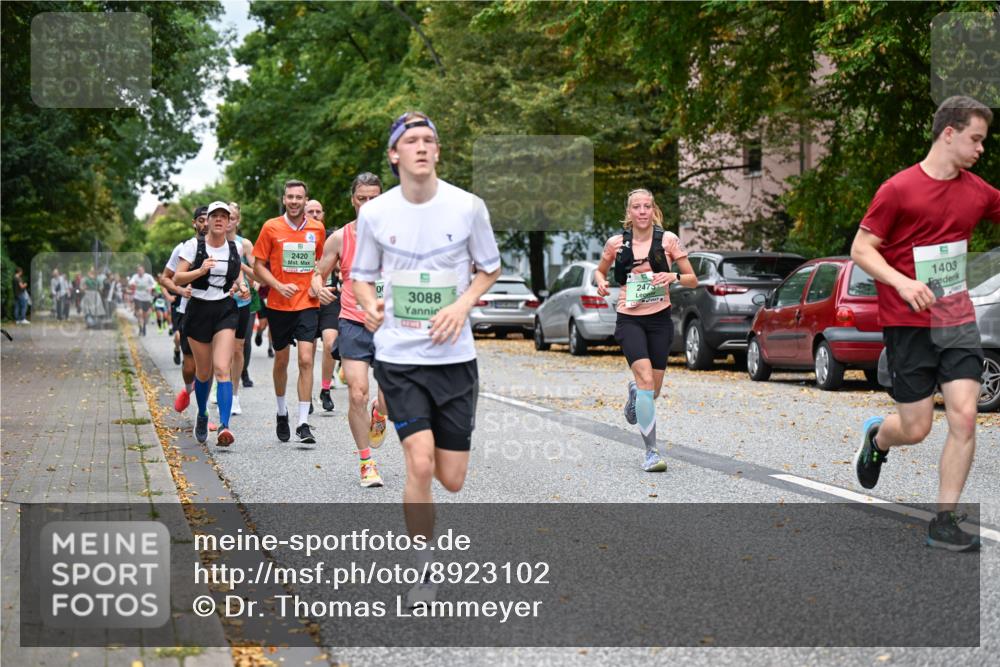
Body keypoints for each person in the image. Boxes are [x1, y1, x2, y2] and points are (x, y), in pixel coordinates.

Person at [352, 112, 501, 606]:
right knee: (418, 462)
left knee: (451, 479)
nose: (421, 147)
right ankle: (423, 570)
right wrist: (370, 303)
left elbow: (489, 267)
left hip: (455, 359)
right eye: (411, 141)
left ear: (438, 151)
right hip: (398, 356)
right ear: (395, 154)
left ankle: (436, 468)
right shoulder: (375, 215)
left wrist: (460, 306)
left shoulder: (467, 207)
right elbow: (361, 276)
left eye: (429, 140)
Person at [850, 96, 999, 552]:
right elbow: (861, 248)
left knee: (965, 417)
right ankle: (879, 437)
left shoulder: (979, 192)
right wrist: (902, 283)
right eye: (975, 139)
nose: (980, 150)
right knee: (916, 428)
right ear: (948, 133)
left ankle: (944, 521)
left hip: (956, 318)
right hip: (907, 322)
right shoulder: (898, 190)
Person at [594, 189, 695, 472]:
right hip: (630, 319)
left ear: (653, 210)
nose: (641, 211)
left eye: (646, 206)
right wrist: (600, 283)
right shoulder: (616, 243)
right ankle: (651, 453)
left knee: (653, 390)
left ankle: (635, 395)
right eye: (636, 207)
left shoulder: (669, 240)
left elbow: (692, 279)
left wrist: (673, 275)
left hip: (660, 320)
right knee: (647, 382)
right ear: (629, 213)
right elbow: (600, 271)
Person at [312, 172, 387, 488]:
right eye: (362, 199)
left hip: (391, 326)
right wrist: (319, 287)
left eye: (374, 198)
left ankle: (379, 414)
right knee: (357, 392)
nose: (368, 205)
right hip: (353, 323)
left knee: (390, 400)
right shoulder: (340, 238)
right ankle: (367, 463)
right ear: (353, 200)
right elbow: (317, 273)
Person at [252, 180, 325, 443]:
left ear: (306, 201)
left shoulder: (317, 229)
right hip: (279, 303)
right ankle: (281, 412)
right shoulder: (271, 227)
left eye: (299, 197)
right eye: (290, 197)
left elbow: (318, 264)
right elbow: (258, 265)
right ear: (284, 199)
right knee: (281, 360)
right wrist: (277, 285)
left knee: (306, 359)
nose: (294, 201)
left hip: (307, 303)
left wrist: (317, 281)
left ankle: (303, 423)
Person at [173, 202, 249, 447]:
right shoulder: (193, 246)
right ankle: (203, 414)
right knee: (203, 372)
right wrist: (200, 270)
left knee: (221, 368)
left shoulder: (234, 247)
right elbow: (178, 277)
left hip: (225, 310)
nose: (218, 220)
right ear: (207, 221)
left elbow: (236, 271)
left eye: (223, 216)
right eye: (214, 216)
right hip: (198, 310)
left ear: (229, 222)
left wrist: (242, 285)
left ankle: (225, 427)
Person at [162, 206, 210, 418]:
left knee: (207, 365)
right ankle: (188, 389)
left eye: (209, 219)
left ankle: (203, 411)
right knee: (190, 366)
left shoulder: (223, 248)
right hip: (187, 310)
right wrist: (181, 290)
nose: (205, 224)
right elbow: (165, 277)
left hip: (213, 311)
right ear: (194, 223)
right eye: (201, 220)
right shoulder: (183, 248)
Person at [305, 198, 341, 413]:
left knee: (330, 344)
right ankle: (305, 396)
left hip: (329, 297)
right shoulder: (298, 238)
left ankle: (325, 389)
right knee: (306, 354)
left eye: (319, 211)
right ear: (304, 213)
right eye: (311, 211)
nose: (315, 215)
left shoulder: (332, 238)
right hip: (306, 300)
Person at [129, 264, 156, 336]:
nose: (140, 272)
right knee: (140, 313)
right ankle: (140, 329)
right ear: (137, 271)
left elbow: (155, 284)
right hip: (138, 297)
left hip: (147, 298)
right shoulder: (135, 276)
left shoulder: (148, 277)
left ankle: (143, 326)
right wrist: (133, 284)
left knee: (146, 315)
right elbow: (131, 282)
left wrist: (151, 288)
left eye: (141, 270)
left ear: (144, 270)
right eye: (138, 270)